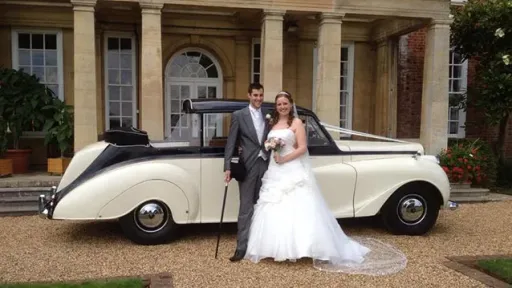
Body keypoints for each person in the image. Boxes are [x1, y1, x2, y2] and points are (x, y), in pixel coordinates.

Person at [243, 91, 407, 275]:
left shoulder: (297, 123)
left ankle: (303, 247)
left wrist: (285, 157)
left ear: (291, 104)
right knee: (273, 204)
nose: (282, 107)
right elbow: (267, 142)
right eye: (279, 104)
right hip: (275, 169)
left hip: (292, 167)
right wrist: (271, 145)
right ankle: (273, 248)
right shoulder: (273, 123)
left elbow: (303, 148)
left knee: (298, 206)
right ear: (276, 106)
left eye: (285, 103)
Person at [224, 82, 271, 262]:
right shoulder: (239, 115)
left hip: (266, 165)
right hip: (248, 165)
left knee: (265, 206)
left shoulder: (269, 115)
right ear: (249, 95)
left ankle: (262, 246)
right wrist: (228, 166)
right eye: (255, 95)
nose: (258, 98)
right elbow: (231, 142)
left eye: (260, 95)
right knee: (246, 208)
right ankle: (241, 247)